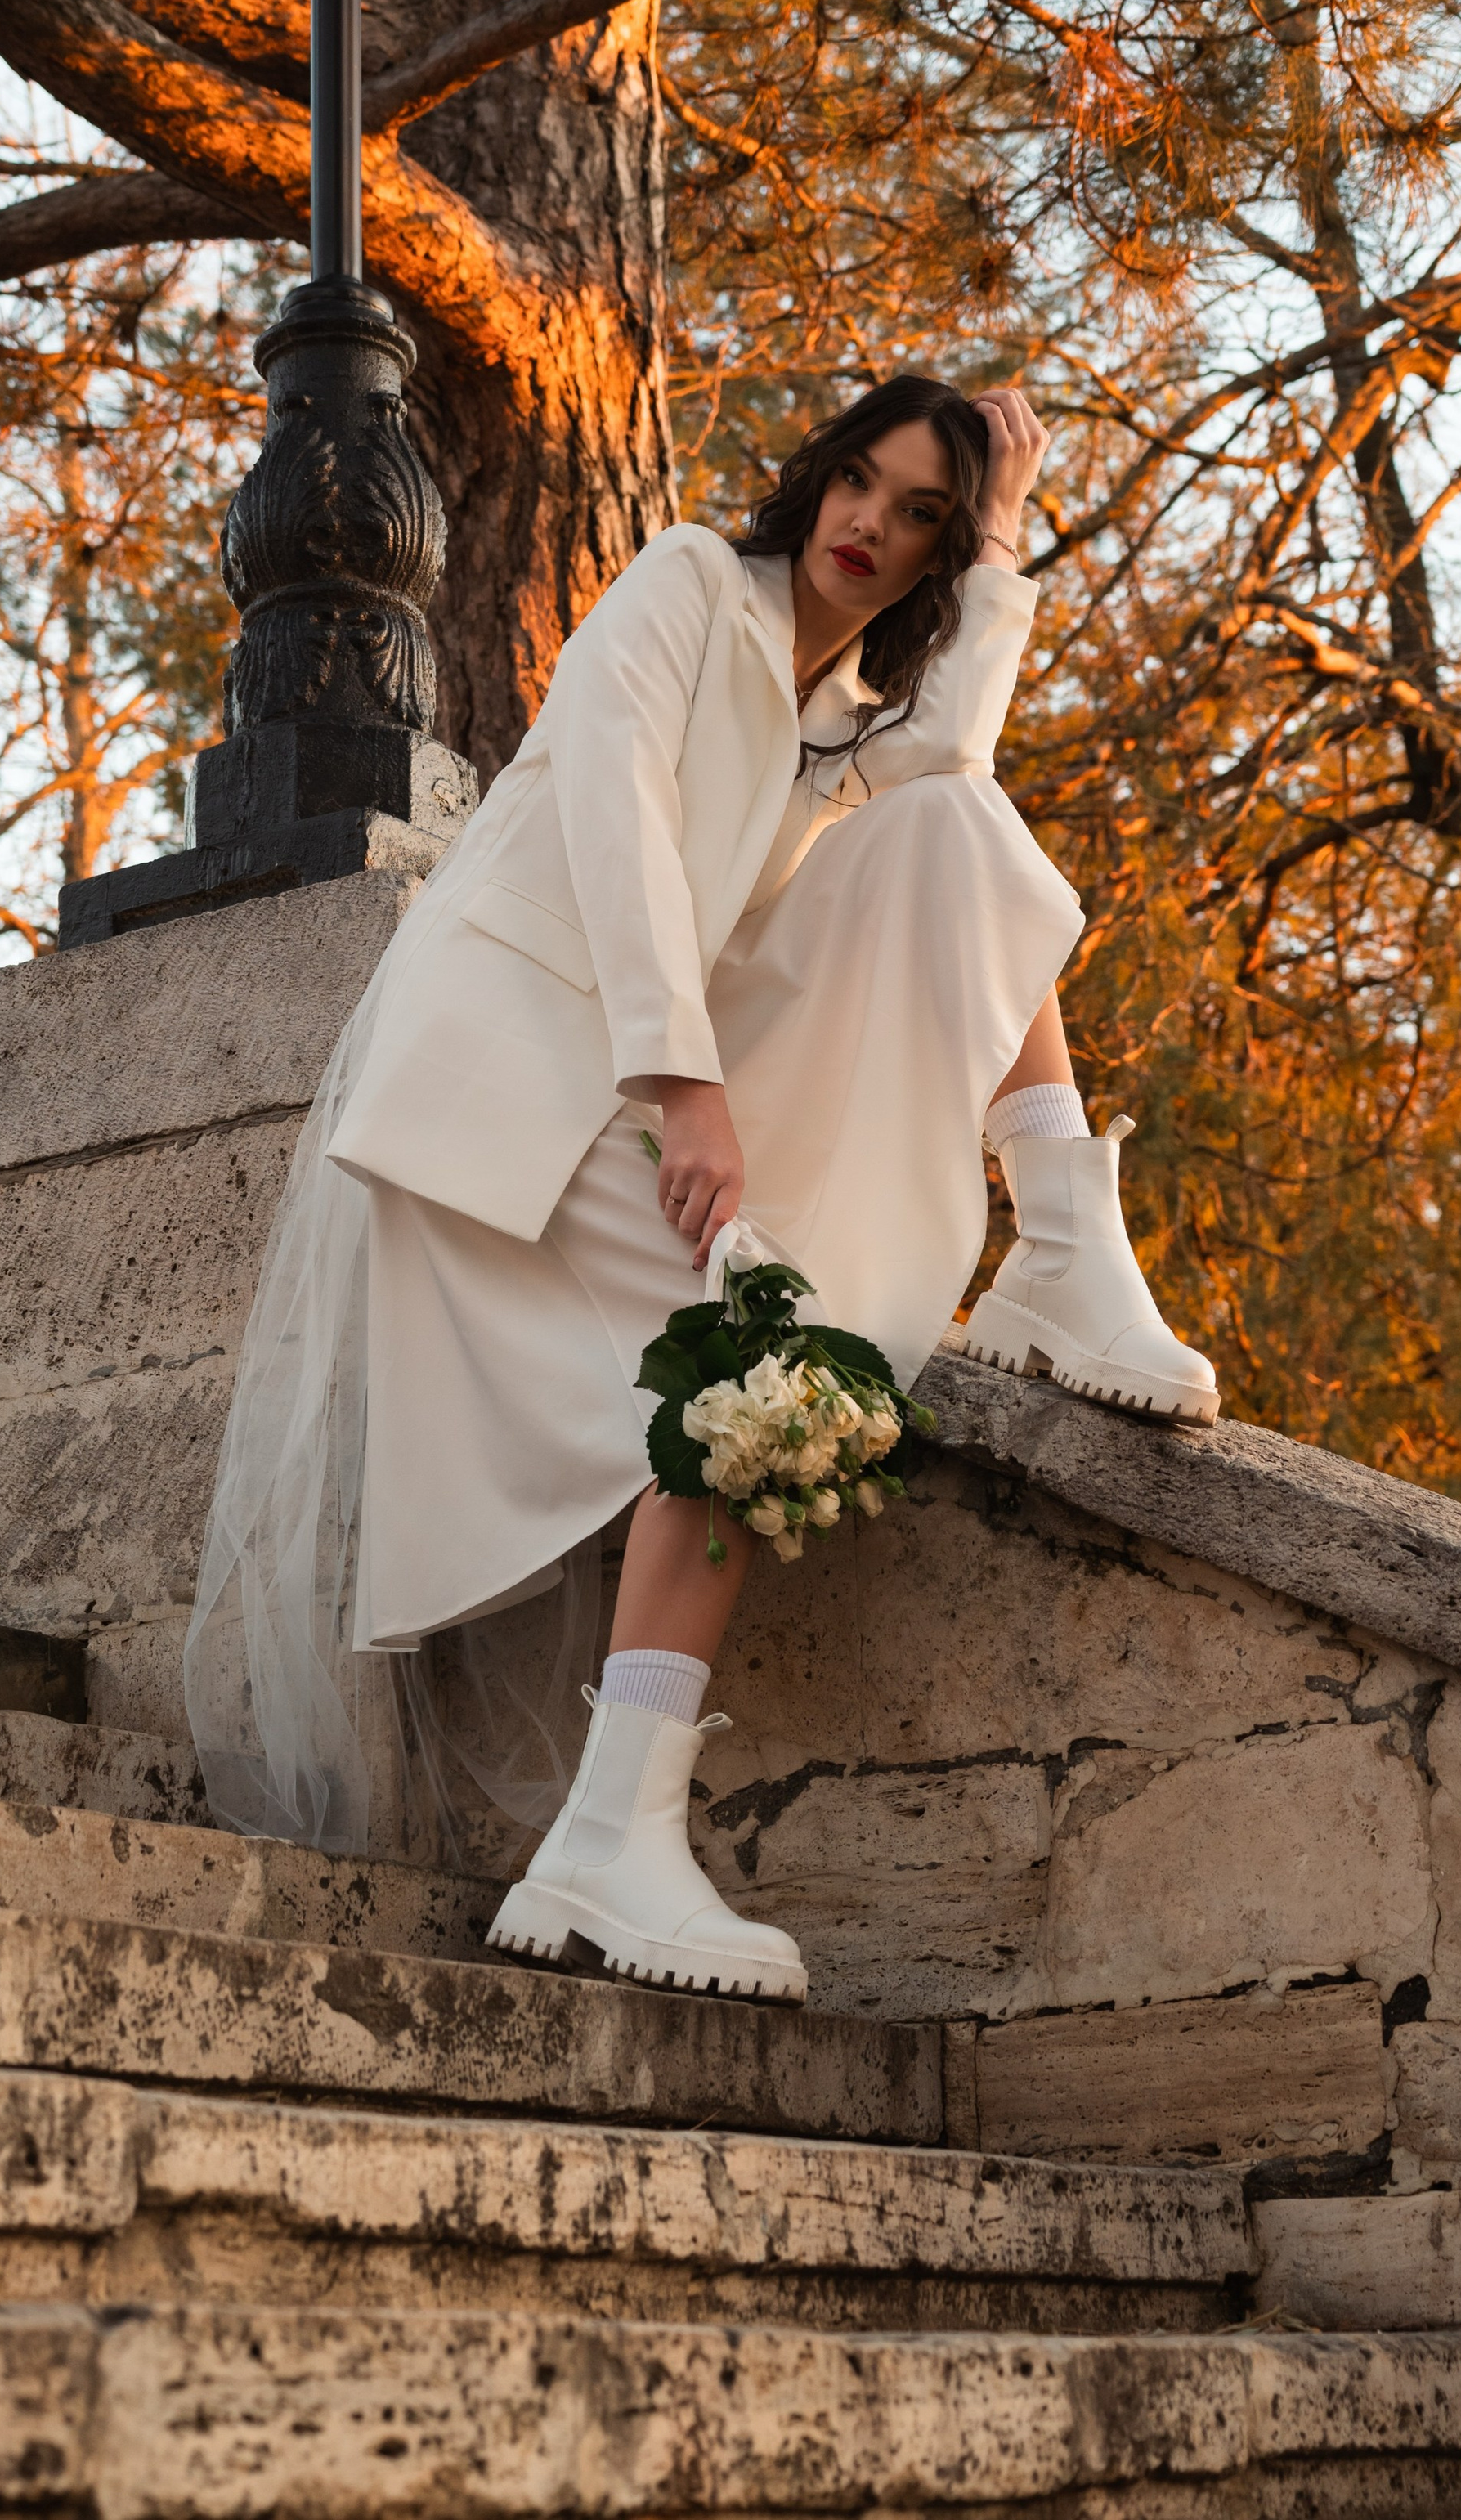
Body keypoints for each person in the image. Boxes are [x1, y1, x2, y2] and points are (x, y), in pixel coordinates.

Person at [183, 375, 1215, 2002]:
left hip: (646, 1082)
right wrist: (686, 1088)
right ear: (815, 480)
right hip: (524, 1101)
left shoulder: (845, 708)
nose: (867, 524)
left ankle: (1064, 1245)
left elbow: (950, 755)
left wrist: (1003, 537)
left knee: (962, 847)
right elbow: (616, 828)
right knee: (762, 1359)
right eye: (856, 484)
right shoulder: (679, 584)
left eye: (919, 513)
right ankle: (610, 1835)